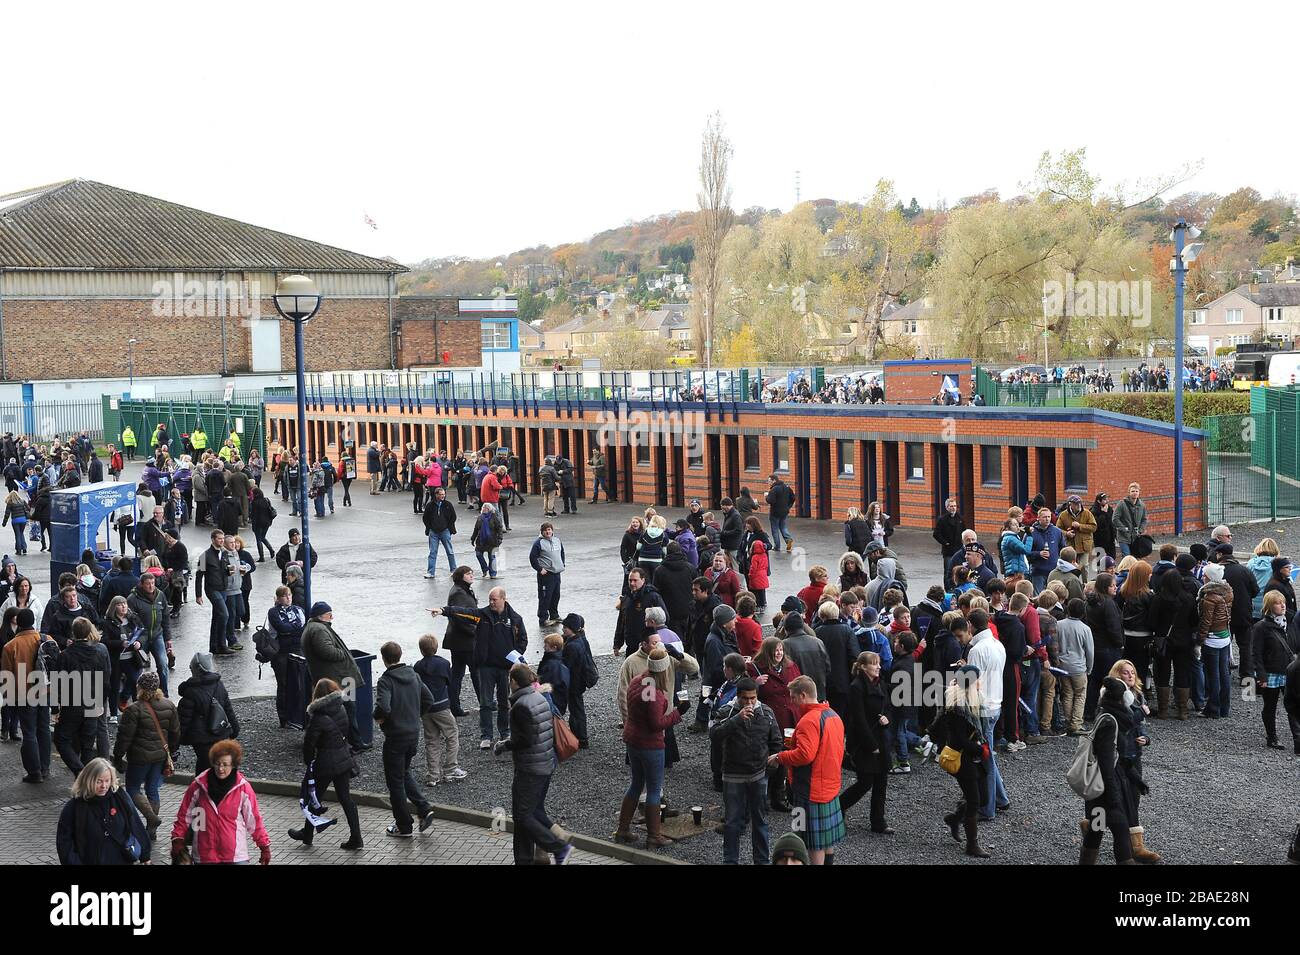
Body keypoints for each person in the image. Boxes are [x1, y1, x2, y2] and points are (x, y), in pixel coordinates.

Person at [497, 662, 574, 864]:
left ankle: (559, 848)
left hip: (530, 768)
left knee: (523, 816)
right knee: (529, 812)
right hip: (545, 763)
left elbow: (525, 740)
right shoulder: (538, 696)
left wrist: (505, 745)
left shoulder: (521, 705)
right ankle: (524, 859)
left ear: (513, 682)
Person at [434, 586, 527, 748]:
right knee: (485, 703)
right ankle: (486, 735)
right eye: (490, 599)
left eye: (494, 599)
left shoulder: (515, 619)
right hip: (486, 667)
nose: (491, 602)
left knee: (504, 702)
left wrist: (516, 655)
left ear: (503, 599)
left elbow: (523, 640)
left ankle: (505, 732)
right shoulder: (482, 615)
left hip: (505, 668)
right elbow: (464, 612)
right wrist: (444, 611)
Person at [770, 675, 846, 864]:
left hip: (808, 791)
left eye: (793, 697)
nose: (792, 702)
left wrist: (780, 757)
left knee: (809, 841)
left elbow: (805, 755)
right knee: (826, 841)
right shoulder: (833, 715)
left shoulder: (808, 721)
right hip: (830, 787)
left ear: (803, 695)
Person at [616, 647, 688, 848]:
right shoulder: (652, 692)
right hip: (649, 744)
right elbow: (656, 723)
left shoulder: (639, 680)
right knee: (654, 789)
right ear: (664, 669)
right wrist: (678, 713)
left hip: (633, 740)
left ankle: (622, 829)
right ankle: (653, 836)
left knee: (636, 784)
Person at [710, 675, 782, 864]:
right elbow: (714, 735)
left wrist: (769, 769)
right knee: (733, 822)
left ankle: (761, 861)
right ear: (738, 697)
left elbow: (776, 741)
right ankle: (730, 861)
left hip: (758, 775)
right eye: (745, 698)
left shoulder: (766, 712)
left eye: (753, 698)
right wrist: (736, 719)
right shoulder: (727, 711)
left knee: (760, 822)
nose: (749, 702)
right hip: (732, 775)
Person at [289, 678, 364, 849]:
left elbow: (309, 744)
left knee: (314, 799)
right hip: (344, 760)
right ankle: (356, 838)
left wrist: (309, 762)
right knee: (346, 799)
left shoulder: (317, 717)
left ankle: (307, 834)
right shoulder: (342, 708)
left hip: (325, 764)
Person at [171, 740, 271, 865]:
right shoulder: (198, 786)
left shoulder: (243, 788)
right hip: (204, 855)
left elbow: (254, 820)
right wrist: (177, 839)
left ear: (233, 765)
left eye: (225, 764)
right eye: (217, 764)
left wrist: (264, 846)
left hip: (235, 856)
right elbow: (184, 815)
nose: (221, 768)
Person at [373, 641, 437, 838]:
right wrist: (413, 716)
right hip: (412, 734)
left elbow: (384, 707)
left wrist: (379, 718)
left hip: (396, 737)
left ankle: (404, 825)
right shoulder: (414, 676)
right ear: (400, 655)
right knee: (404, 772)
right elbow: (429, 700)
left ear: (384, 659)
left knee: (395, 783)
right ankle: (424, 807)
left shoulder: (386, 680)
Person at [112, 669, 178, 840]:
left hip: (139, 758)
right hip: (160, 757)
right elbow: (175, 732)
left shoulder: (134, 709)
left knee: (133, 788)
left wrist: (118, 756)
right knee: (152, 789)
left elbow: (124, 738)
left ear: (140, 687)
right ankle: (151, 831)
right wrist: (170, 751)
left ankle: (152, 819)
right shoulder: (169, 705)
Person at [1078, 678, 1138, 865]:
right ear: (1125, 699)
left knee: (1096, 830)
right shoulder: (1111, 723)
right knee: (1121, 831)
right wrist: (1113, 795)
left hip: (1098, 791)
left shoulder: (1104, 715)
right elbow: (1106, 762)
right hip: (1108, 787)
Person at [57, 758, 151, 865]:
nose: (104, 786)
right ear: (88, 780)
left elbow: (135, 823)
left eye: (107, 781)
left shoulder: (120, 797)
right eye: (99, 781)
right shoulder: (75, 806)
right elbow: (65, 842)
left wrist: (145, 855)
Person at [840, 650, 893, 835]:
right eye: (874, 663)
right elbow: (858, 719)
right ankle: (839, 807)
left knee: (881, 782)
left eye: (878, 663)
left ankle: (878, 821)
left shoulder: (881, 683)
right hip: (865, 741)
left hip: (881, 737)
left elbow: (888, 706)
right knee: (865, 782)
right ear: (863, 667)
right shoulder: (856, 687)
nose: (878, 666)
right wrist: (872, 745)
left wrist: (887, 717)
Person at [52, 617, 111, 775]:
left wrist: (55, 708)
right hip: (93, 703)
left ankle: (80, 773)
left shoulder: (65, 655)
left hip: (72, 704)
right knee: (87, 745)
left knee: (62, 739)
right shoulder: (99, 652)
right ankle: (87, 780)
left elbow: (57, 683)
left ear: (73, 633)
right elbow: (106, 681)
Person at [965, 609, 1009, 820]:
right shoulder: (997, 645)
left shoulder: (976, 649)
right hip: (996, 702)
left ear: (971, 626)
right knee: (988, 755)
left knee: (985, 760)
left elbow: (972, 683)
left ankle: (988, 807)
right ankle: (1000, 799)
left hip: (982, 707)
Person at [301, 603, 365, 747]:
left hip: (335, 676)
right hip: (339, 678)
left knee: (346, 709)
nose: (332, 617)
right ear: (321, 616)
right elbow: (326, 651)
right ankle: (356, 743)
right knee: (349, 709)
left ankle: (353, 742)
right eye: (329, 614)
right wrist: (344, 654)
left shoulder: (314, 627)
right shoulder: (319, 629)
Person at [1, 608, 53, 782]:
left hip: (24, 694)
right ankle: (45, 767)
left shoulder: (10, 646)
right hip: (45, 691)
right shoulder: (47, 640)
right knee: (44, 729)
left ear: (18, 624)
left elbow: (6, 676)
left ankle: (34, 771)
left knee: (29, 732)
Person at [1251, 590, 1299, 753]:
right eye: (1278, 603)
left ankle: (1297, 739)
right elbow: (1256, 653)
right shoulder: (1261, 627)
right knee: (1270, 706)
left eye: (1283, 602)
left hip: (1290, 672)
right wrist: (1261, 675)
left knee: (1294, 706)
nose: (1283, 605)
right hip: (1271, 673)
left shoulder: (1291, 621)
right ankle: (1272, 737)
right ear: (1269, 606)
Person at [1148, 567, 1197, 721]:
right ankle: (1182, 710)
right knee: (1182, 673)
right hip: (1184, 641)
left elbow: (1151, 622)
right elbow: (1195, 621)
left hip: (1164, 641)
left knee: (1162, 673)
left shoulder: (1159, 598)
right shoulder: (1188, 598)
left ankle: (1163, 710)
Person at [415, 633, 465, 785]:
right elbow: (449, 681)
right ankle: (451, 769)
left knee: (431, 740)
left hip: (426, 710)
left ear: (421, 650)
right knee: (452, 735)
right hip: (442, 706)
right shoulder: (444, 664)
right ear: (436, 648)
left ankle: (433, 775)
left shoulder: (417, 666)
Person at [177, 652, 239, 774]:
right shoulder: (219, 684)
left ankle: (203, 790)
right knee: (213, 767)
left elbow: (183, 721)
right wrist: (235, 729)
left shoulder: (190, 691)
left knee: (206, 768)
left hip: (201, 740)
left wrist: (175, 743)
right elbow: (228, 709)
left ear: (196, 669)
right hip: (221, 733)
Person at [127, 572, 174, 696]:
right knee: (137, 668)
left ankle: (164, 694)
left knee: (163, 665)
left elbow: (165, 617)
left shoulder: (160, 595)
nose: (151, 586)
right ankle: (135, 695)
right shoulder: (132, 599)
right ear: (141, 584)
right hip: (141, 637)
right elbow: (130, 621)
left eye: (152, 583)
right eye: (148, 584)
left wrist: (168, 637)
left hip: (157, 634)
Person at [266, 586, 307, 728]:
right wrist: (294, 628)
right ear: (278, 598)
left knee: (298, 683)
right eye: (284, 596)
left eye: (289, 595)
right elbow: (282, 628)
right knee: (283, 684)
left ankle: (296, 715)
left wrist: (291, 629)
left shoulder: (298, 610)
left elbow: (303, 627)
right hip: (281, 653)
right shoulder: (273, 612)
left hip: (297, 650)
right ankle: (283, 718)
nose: (288, 598)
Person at [1197, 562, 1234, 720]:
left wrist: (1200, 640)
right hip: (1224, 636)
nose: (1203, 577)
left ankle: (1213, 708)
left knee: (1213, 675)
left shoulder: (1209, 597)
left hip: (1212, 638)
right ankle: (1224, 708)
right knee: (1224, 673)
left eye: (1205, 575)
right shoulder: (1228, 591)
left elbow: (1206, 621)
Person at [441, 566, 479, 717]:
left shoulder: (461, 589)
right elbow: (460, 617)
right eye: (468, 574)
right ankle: (485, 702)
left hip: (458, 640)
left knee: (457, 673)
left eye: (471, 573)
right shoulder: (459, 592)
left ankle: (454, 706)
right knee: (474, 672)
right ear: (460, 576)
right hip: (465, 641)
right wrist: (475, 631)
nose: (471, 575)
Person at [560, 613, 596, 749]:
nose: (563, 629)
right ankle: (579, 737)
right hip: (578, 682)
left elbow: (566, 666)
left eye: (566, 627)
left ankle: (580, 738)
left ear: (572, 628)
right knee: (577, 709)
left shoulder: (572, 646)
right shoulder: (581, 639)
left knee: (576, 711)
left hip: (573, 683)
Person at [529, 521, 566, 628]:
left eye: (549, 529)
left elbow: (562, 552)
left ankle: (554, 615)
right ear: (542, 532)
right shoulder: (538, 543)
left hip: (556, 573)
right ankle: (543, 618)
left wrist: (562, 563)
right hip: (546, 575)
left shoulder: (557, 540)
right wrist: (539, 569)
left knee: (556, 595)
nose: (548, 532)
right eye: (545, 530)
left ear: (552, 530)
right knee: (545, 597)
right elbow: (532, 557)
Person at [423, 485, 458, 579]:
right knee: (432, 552)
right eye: (441, 494)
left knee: (450, 551)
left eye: (444, 494)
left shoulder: (448, 504)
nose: (443, 496)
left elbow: (453, 517)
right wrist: (429, 527)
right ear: (436, 495)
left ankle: (454, 570)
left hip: (445, 531)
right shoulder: (430, 505)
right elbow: (425, 518)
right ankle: (430, 572)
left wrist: (448, 527)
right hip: (433, 532)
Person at [1113, 482, 1147, 557]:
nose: (1135, 493)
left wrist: (1141, 530)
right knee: (1127, 556)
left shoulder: (1142, 505)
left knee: (1134, 558)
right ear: (1129, 492)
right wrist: (1123, 528)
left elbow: (1144, 519)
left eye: (1136, 491)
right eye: (1132, 491)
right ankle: (1125, 568)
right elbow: (1115, 519)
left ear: (1139, 493)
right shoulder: (1121, 504)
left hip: (1135, 537)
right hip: (1123, 537)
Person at [470, 502, 504, 579]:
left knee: (491, 557)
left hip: (492, 541)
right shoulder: (480, 518)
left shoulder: (494, 517)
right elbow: (476, 529)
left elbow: (499, 528)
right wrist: (473, 538)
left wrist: (500, 538)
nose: (484, 509)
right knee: (478, 554)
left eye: (486, 508)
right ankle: (485, 569)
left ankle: (493, 573)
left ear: (490, 509)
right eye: (483, 508)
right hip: (481, 541)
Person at [765, 473, 795, 553]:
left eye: (769, 481)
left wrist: (766, 497)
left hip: (775, 512)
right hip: (784, 511)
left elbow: (771, 501)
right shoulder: (787, 487)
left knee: (775, 529)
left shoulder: (774, 489)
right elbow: (793, 498)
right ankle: (788, 540)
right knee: (783, 527)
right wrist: (788, 506)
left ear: (774, 480)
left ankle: (777, 546)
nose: (768, 483)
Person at [250, 487, 277, 562]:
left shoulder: (254, 503)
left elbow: (254, 515)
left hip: (258, 523)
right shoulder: (266, 500)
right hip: (267, 522)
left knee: (259, 539)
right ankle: (271, 550)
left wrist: (253, 525)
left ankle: (262, 557)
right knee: (262, 537)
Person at [2, 489, 30, 555]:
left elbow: (7, 514)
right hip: (23, 520)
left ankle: (19, 550)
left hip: (15, 520)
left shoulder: (10, 503)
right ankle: (24, 548)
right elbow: (28, 508)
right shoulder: (22, 501)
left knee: (17, 535)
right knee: (21, 533)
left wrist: (4, 523)